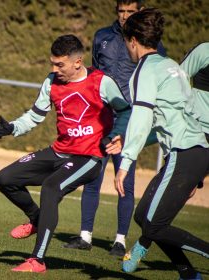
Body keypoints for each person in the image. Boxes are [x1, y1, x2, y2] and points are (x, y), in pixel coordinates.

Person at [0, 34, 131, 273]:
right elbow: (35, 115)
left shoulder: (102, 82)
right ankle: (36, 218)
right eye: (52, 63)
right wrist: (13, 127)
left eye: (59, 64)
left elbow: (125, 111)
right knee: (5, 179)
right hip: (58, 152)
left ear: (77, 62)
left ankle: (37, 260)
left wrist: (116, 134)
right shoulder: (51, 81)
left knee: (50, 188)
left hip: (89, 157)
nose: (54, 69)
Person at [63, 0, 165, 257]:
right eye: (121, 11)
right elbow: (93, 74)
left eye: (130, 12)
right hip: (100, 119)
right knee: (92, 177)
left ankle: (120, 240)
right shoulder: (102, 36)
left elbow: (156, 79)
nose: (124, 16)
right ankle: (85, 236)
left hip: (129, 121)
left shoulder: (150, 45)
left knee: (125, 181)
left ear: (139, 12)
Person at [114, 8, 209, 280]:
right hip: (194, 152)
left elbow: (142, 116)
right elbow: (167, 119)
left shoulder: (144, 71)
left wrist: (126, 161)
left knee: (154, 225)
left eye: (125, 42)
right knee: (144, 218)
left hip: (185, 153)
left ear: (133, 40)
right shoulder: (170, 66)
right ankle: (188, 274)